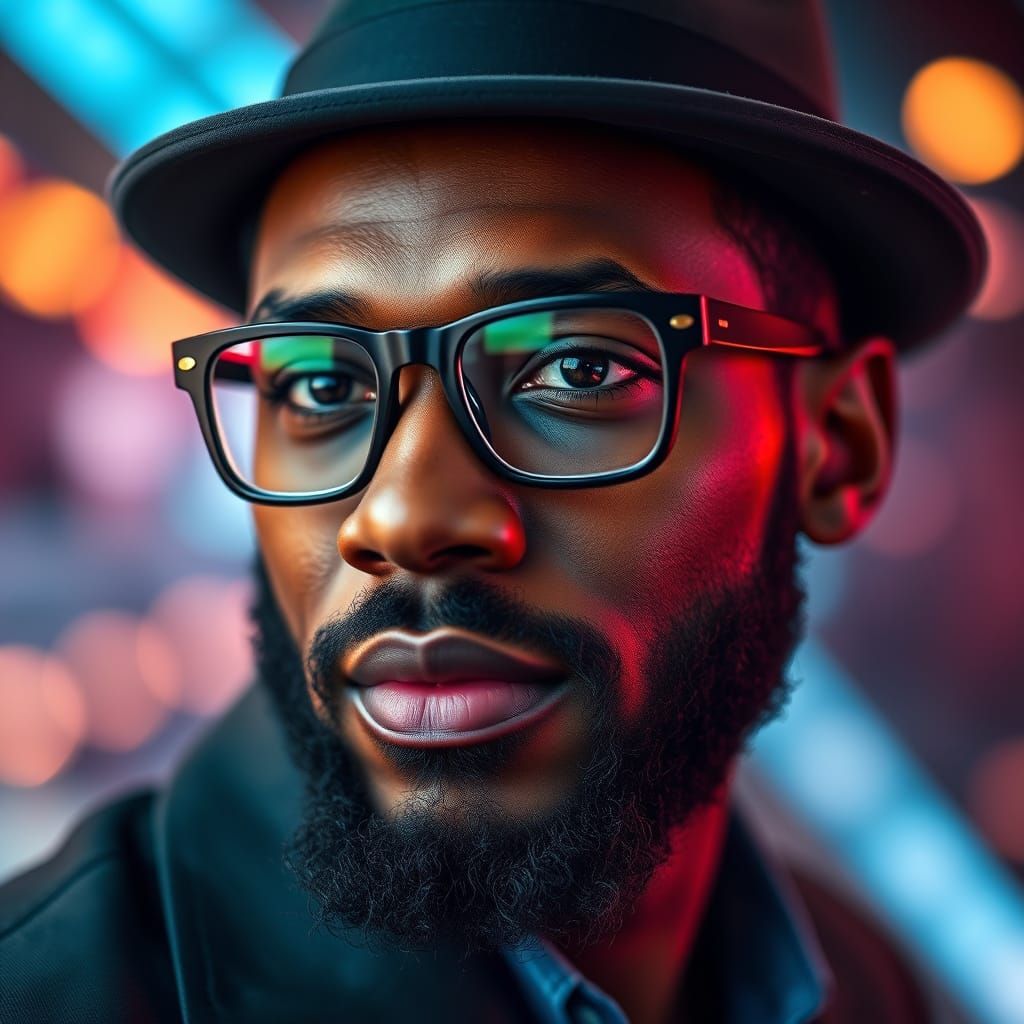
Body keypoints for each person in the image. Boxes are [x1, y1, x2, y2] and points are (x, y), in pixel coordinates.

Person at [0, 1, 986, 1022]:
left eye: (576, 366)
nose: (402, 517)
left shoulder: (860, 981)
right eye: (323, 388)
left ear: (839, 445)